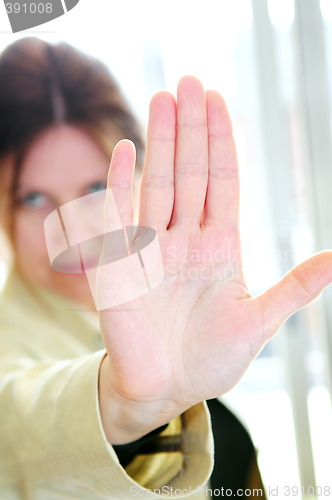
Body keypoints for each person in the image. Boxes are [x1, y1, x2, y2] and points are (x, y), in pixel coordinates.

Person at [0, 37, 331, 499]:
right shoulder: (9, 347)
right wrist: (121, 407)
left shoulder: (171, 302)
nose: (72, 229)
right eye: (33, 199)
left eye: (97, 187)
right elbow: (21, 426)